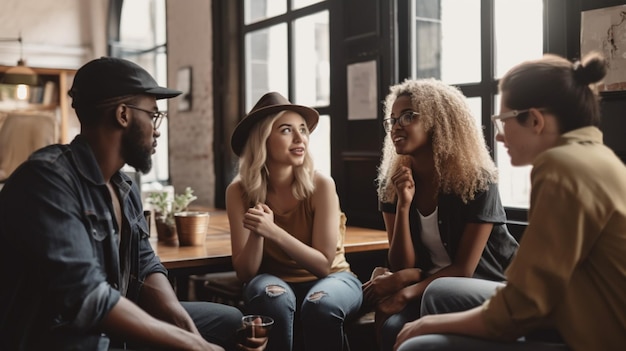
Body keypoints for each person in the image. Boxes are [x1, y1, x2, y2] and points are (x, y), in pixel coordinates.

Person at [0, 57, 257, 351]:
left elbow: (145, 264)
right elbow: (88, 298)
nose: (157, 129)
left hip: (113, 326)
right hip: (64, 337)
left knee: (229, 322)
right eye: (152, 115)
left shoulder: (124, 186)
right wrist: (193, 346)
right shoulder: (46, 181)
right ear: (123, 114)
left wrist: (187, 329)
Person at [394, 52, 626, 351]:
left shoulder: (562, 167)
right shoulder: (597, 156)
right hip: (576, 307)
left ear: (535, 119)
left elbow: (523, 305)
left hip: (598, 336)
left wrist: (429, 324)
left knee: (419, 346)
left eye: (502, 121)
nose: (500, 138)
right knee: (441, 292)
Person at [364, 78, 519, 351]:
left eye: (408, 116)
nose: (396, 125)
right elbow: (401, 262)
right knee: (391, 329)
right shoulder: (394, 185)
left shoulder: (476, 182)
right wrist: (403, 205)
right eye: (392, 119)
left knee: (408, 325)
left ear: (439, 121)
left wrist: (406, 290)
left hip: (481, 285)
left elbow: (464, 269)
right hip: (427, 285)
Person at [226, 92, 363, 351]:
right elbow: (244, 273)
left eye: (303, 129)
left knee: (321, 305)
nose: (301, 138)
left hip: (334, 279)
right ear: (262, 139)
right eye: (287, 130)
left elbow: (322, 265)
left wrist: (273, 231)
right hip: (272, 279)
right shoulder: (238, 191)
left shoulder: (321, 184)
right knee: (272, 298)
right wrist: (257, 233)